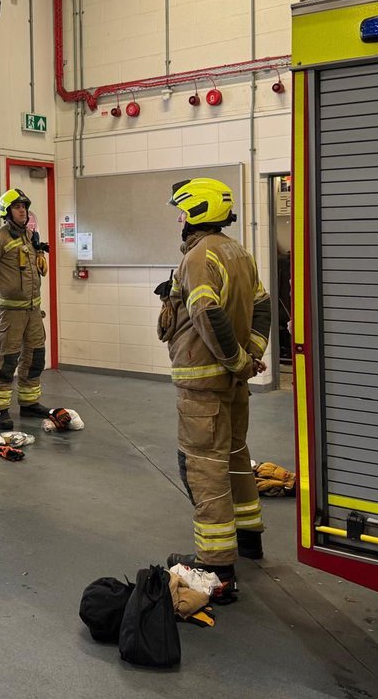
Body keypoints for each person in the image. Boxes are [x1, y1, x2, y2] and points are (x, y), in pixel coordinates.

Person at [158, 178, 271, 601]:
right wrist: (251, 354)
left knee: (204, 468)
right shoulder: (237, 251)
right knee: (236, 457)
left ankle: (217, 568)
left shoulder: (199, 256)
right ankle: (248, 539)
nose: (180, 219)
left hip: (204, 385)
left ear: (198, 212)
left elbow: (206, 312)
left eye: (183, 211)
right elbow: (262, 305)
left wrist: (238, 360)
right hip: (232, 385)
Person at [0, 188, 51, 430]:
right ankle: (0, 410)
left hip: (32, 311)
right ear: (7, 212)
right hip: (9, 313)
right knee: (6, 361)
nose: (23, 211)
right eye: (18, 207)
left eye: (25, 207)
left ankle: (29, 404)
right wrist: (2, 292)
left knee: (35, 357)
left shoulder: (29, 237)